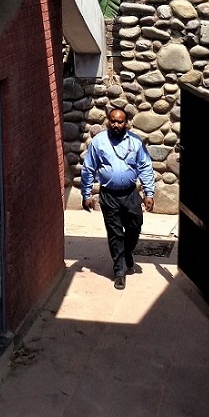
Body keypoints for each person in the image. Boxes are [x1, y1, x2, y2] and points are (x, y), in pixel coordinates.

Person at [81, 108, 155, 289]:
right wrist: (86, 194)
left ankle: (127, 252)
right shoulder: (99, 142)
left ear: (126, 123)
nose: (116, 125)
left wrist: (149, 193)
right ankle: (119, 271)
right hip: (109, 195)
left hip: (130, 193)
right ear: (108, 121)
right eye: (112, 121)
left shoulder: (135, 142)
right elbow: (89, 168)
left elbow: (145, 166)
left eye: (120, 122)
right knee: (115, 233)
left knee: (135, 226)